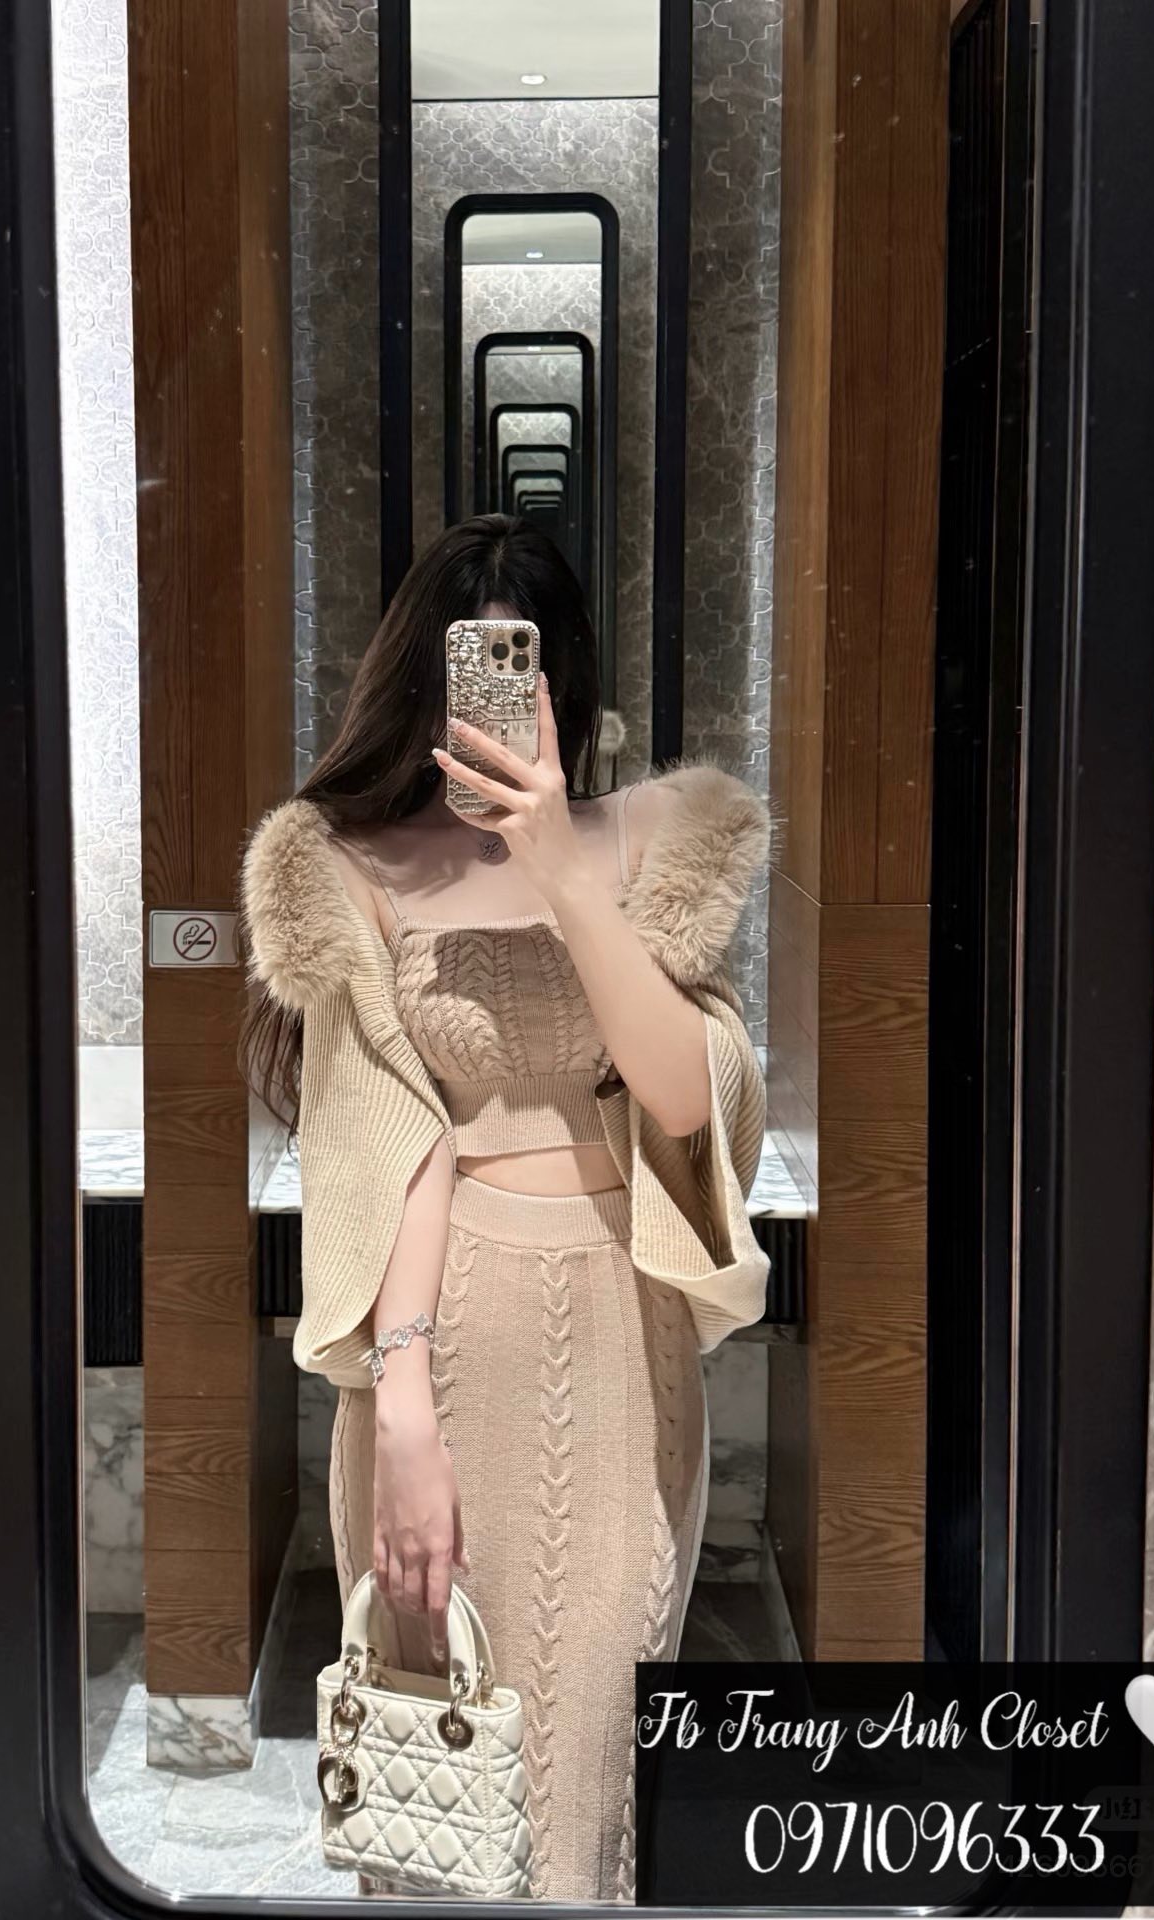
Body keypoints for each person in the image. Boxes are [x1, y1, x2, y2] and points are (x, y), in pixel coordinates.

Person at [240, 513, 771, 1903]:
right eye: (456, 675)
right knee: (433, 1746)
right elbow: (390, 1148)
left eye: (514, 671)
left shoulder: (658, 838)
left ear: (561, 679)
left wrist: (560, 872)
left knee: (592, 1750)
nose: (482, 709)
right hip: (441, 1341)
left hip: (618, 1334)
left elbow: (679, 1096)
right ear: (416, 684)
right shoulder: (354, 866)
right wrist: (403, 1418)